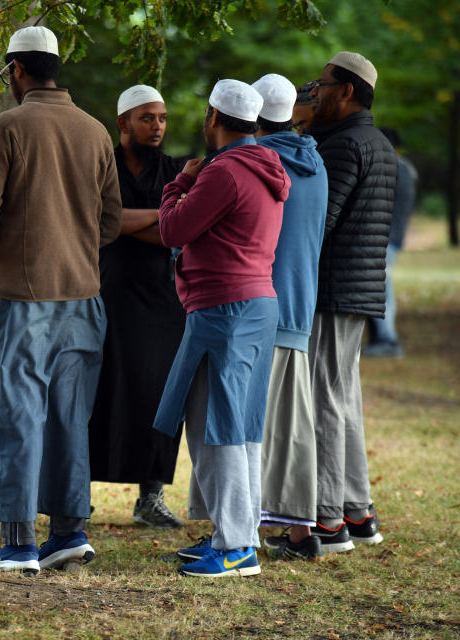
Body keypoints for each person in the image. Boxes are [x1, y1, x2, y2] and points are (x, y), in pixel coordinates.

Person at [0, 25, 122, 575]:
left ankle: (18, 542)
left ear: (17, 71)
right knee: (69, 417)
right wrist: (75, 250)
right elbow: (110, 222)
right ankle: (69, 533)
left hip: (21, 297)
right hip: (84, 296)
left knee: (17, 413)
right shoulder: (96, 131)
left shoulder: (8, 127)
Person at [153, 79, 289, 577]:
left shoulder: (224, 171)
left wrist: (179, 184)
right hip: (256, 304)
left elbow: (173, 229)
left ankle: (235, 548)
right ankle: (239, 535)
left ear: (213, 118)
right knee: (242, 426)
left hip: (223, 309)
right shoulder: (268, 167)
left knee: (216, 429)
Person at [305, 51, 396, 551]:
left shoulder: (342, 146)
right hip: (357, 290)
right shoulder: (377, 143)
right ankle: (358, 513)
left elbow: (321, 222)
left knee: (325, 400)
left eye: (320, 85)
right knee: (344, 400)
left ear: (347, 91)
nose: (313, 92)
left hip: (333, 289)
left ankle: (328, 519)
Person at [88, 85, 189, 529]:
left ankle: (151, 496)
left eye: (162, 118)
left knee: (157, 396)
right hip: (104, 294)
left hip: (161, 302)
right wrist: (156, 216)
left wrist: (124, 220)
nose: (157, 126)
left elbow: (178, 231)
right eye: (147, 118)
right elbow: (93, 224)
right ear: (123, 122)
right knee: (95, 393)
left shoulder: (175, 170)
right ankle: (77, 493)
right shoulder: (100, 165)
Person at [249, 73, 329, 560]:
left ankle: (238, 529)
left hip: (256, 305)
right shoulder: (315, 162)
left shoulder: (259, 162)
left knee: (244, 426)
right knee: (294, 426)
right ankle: (301, 533)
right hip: (300, 306)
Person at [364, 127, 418, 358]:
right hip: (389, 238)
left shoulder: (395, 169)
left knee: (381, 289)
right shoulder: (405, 168)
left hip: (385, 238)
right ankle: (382, 338)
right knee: (379, 287)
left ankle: (388, 339)